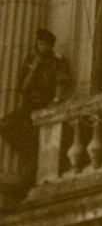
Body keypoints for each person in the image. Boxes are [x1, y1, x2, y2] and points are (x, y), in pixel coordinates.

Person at [0, 27, 71, 181]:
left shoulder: (57, 61)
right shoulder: (30, 60)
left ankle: (31, 164)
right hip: (30, 106)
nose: (43, 47)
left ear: (51, 46)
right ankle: (29, 154)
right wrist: (34, 67)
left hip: (46, 105)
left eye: (46, 44)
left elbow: (61, 82)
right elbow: (22, 88)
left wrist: (56, 100)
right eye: (40, 44)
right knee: (6, 125)